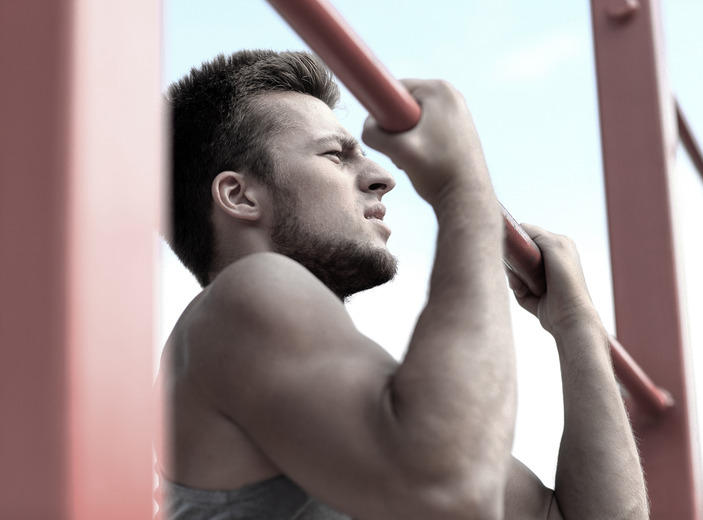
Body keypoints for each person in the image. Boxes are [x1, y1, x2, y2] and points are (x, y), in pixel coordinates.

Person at [155, 49, 649, 520]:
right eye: (335, 155)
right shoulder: (244, 293)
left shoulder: (337, 381)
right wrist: (464, 189)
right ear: (238, 196)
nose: (380, 176)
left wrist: (576, 323)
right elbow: (454, 488)